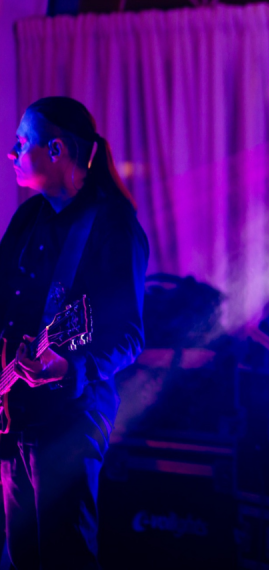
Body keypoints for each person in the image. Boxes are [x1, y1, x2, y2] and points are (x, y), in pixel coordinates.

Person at [0, 96, 148, 569]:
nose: (12, 153)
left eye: (21, 143)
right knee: (22, 557)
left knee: (66, 557)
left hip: (72, 418)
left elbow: (129, 336)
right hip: (14, 414)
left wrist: (71, 367)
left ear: (56, 149)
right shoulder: (28, 218)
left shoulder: (112, 226)